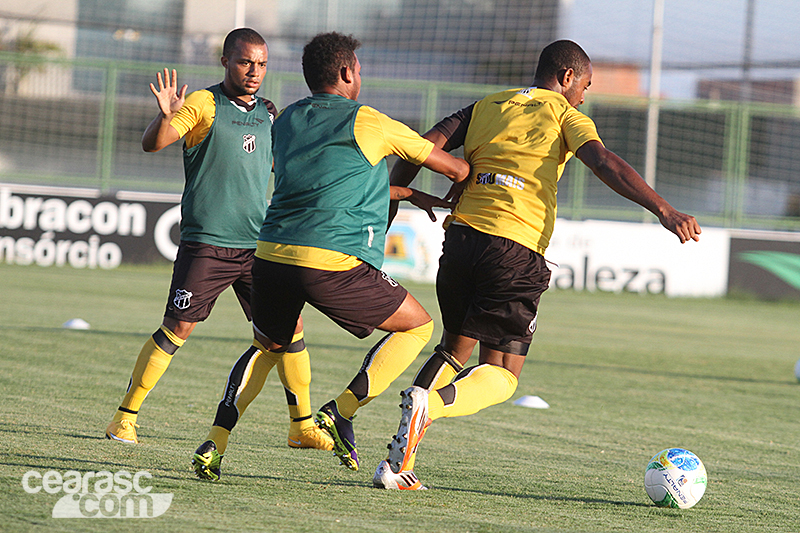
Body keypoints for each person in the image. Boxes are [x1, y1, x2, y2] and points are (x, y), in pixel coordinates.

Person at [373, 39, 702, 490]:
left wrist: (392, 205)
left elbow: (419, 148)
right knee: (504, 373)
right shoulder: (567, 115)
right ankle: (432, 405)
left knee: (452, 350)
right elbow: (604, 162)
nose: (584, 96)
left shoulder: (483, 106)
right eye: (585, 85)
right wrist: (664, 209)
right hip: (514, 250)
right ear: (567, 77)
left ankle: (396, 464)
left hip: (461, 241)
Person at [191, 31, 470, 480]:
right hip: (330, 260)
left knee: (267, 346)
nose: (361, 75)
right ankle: (341, 410)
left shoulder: (286, 119)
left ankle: (215, 441)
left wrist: (404, 193)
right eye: (358, 68)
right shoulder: (369, 121)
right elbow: (454, 167)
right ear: (345, 72)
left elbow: (327, 181)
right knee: (418, 326)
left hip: (271, 253)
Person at [105, 28, 333, 455]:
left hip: (260, 247)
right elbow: (153, 144)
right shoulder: (204, 103)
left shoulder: (269, 112)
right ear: (226, 61)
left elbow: (279, 164)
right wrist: (166, 116)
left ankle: (301, 427)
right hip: (208, 243)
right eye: (246, 62)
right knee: (178, 328)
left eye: (262, 64)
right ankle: (124, 417)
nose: (254, 71)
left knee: (290, 331)